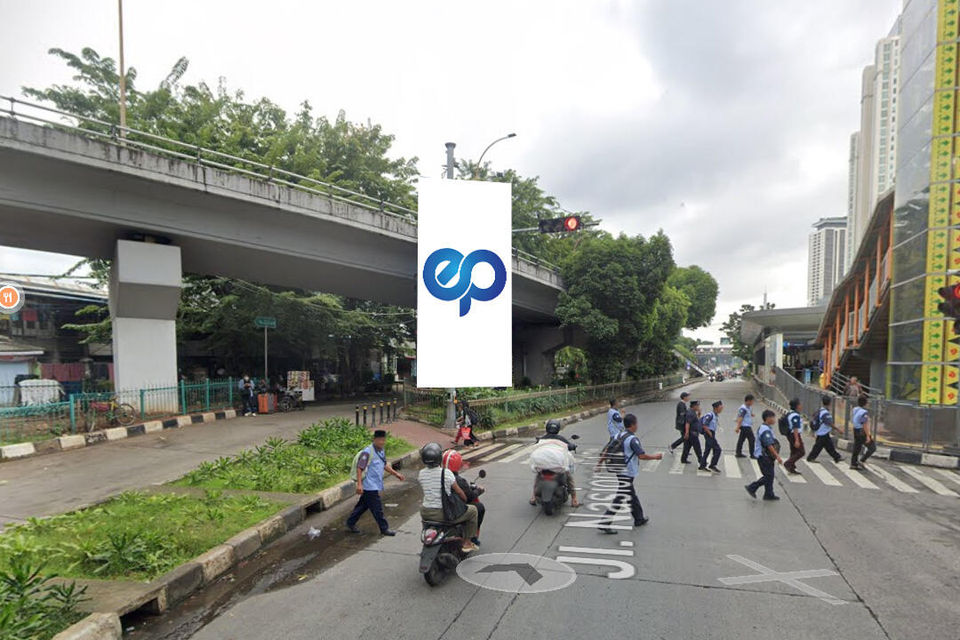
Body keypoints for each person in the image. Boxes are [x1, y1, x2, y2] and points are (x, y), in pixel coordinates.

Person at [599, 413, 663, 534]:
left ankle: (639, 518)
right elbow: (641, 455)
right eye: (637, 423)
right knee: (621, 496)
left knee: (631, 495)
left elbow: (607, 450)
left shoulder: (618, 434)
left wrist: (600, 463)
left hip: (619, 469)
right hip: (627, 472)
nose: (637, 425)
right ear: (633, 425)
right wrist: (655, 457)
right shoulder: (632, 439)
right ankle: (605, 522)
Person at [417, 443, 478, 553]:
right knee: (473, 511)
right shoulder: (446, 473)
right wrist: (464, 500)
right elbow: (459, 491)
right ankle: (467, 542)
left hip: (425, 512)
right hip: (442, 513)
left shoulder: (421, 474)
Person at [346, 430, 405, 536]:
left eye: (383, 440)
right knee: (377, 508)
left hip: (375, 484)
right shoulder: (367, 452)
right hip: (369, 485)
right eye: (380, 440)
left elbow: (384, 465)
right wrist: (359, 485)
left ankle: (350, 522)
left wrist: (396, 474)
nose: (382, 442)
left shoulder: (381, 451)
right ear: (374, 440)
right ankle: (384, 528)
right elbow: (360, 468)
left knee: (363, 505)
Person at [529, 420, 580, 507]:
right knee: (568, 476)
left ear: (547, 428)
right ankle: (574, 499)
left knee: (538, 476)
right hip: (558, 466)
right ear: (558, 429)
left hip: (543, 465)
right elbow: (570, 446)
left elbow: (536, 446)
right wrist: (573, 446)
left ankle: (533, 497)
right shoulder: (561, 439)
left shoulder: (542, 439)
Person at [443, 449, 485, 546]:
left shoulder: (438, 476)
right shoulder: (458, 480)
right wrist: (479, 490)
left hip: (440, 508)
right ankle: (471, 538)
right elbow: (468, 497)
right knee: (478, 507)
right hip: (453, 509)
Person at [745, 410, 784, 501]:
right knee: (768, 476)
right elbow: (768, 444)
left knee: (769, 475)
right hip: (764, 456)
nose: (774, 419)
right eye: (773, 417)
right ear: (768, 418)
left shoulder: (767, 428)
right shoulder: (765, 430)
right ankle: (752, 487)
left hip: (767, 456)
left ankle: (769, 494)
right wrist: (777, 456)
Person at [807, 396, 844, 463]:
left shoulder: (820, 410)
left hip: (822, 432)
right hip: (822, 432)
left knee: (829, 446)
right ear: (829, 403)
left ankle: (837, 457)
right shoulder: (825, 413)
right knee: (818, 447)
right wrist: (838, 429)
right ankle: (810, 458)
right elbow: (829, 423)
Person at [850, 396, 877, 470]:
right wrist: (868, 436)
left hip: (855, 429)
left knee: (857, 447)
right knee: (872, 447)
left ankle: (853, 463)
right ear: (865, 403)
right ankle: (862, 460)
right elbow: (864, 424)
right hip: (861, 431)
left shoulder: (855, 409)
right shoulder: (864, 412)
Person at [783, 398, 805, 475]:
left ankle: (791, 468)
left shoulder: (790, 413)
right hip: (794, 435)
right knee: (801, 452)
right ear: (797, 406)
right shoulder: (795, 415)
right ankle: (788, 463)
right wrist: (797, 440)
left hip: (790, 434)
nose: (801, 406)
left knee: (794, 451)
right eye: (800, 404)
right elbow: (795, 428)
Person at [700, 401, 723, 473]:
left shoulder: (715, 415)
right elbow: (704, 425)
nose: (721, 409)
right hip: (709, 434)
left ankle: (702, 465)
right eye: (720, 407)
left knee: (707, 450)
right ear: (716, 408)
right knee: (718, 449)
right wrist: (709, 433)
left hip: (711, 433)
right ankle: (712, 465)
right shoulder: (710, 415)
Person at [680, 400, 704, 467]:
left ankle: (683, 459)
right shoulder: (690, 413)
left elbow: (696, 421)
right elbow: (688, 423)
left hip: (692, 433)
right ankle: (701, 461)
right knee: (697, 448)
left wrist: (699, 414)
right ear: (694, 406)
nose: (699, 407)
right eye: (698, 406)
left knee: (687, 447)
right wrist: (687, 433)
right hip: (692, 433)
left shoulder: (693, 412)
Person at [734, 394, 756, 458]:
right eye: (752, 401)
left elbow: (749, 413)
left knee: (741, 439)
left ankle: (738, 452)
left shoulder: (748, 407)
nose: (752, 402)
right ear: (748, 401)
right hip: (745, 426)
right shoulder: (743, 408)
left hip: (747, 426)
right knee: (752, 439)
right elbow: (740, 418)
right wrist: (737, 427)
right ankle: (752, 454)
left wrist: (752, 414)